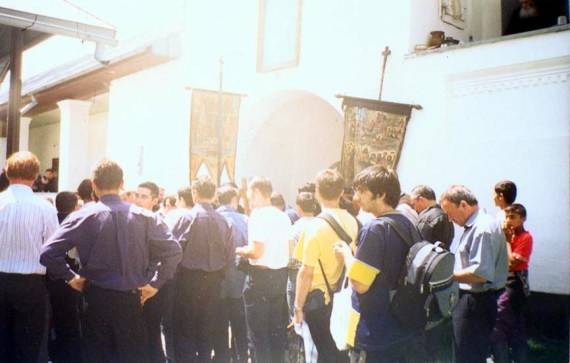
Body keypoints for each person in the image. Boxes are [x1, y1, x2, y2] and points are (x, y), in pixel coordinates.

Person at [40, 159, 182, 363]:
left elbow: (48, 252)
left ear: (94, 185)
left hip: (96, 299)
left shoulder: (83, 216)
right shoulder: (146, 217)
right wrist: (155, 284)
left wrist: (72, 278)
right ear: (122, 183)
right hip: (131, 299)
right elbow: (174, 251)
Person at [334, 166, 420, 363]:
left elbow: (360, 284)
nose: (356, 197)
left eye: (361, 191)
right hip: (401, 324)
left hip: (374, 331)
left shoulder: (375, 228)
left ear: (380, 194)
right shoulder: (407, 223)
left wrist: (347, 255)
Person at [293, 169, 358, 363]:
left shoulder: (313, 226)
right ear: (340, 193)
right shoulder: (353, 222)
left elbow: (305, 272)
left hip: (318, 301)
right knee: (338, 352)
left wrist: (297, 306)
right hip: (343, 298)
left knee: (322, 352)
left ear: (317, 193)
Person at [0, 151, 59, 362]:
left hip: (1, 280)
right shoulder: (44, 208)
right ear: (35, 176)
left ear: (7, 173)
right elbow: (53, 248)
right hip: (32, 285)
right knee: (31, 346)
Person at [440, 185, 508, 363]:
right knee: (472, 353)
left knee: (467, 355)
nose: (449, 218)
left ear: (463, 205)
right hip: (477, 300)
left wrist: (448, 275)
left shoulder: (482, 228)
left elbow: (480, 274)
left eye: (449, 212)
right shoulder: (478, 225)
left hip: (476, 301)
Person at [172, 175, 234, 362]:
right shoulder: (224, 221)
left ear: (194, 193)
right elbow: (230, 257)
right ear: (215, 194)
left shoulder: (187, 218)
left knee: (185, 327)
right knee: (207, 327)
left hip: (188, 280)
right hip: (214, 280)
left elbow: (173, 250)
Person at [236, 177, 291, 363]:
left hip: (260, 279)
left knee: (258, 336)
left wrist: (239, 250)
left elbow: (256, 251)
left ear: (258, 193)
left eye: (251, 196)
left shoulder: (258, 215)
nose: (250, 201)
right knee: (276, 333)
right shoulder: (283, 216)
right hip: (279, 278)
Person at [491, 204, 533, 363]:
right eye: (507, 217)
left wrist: (507, 242)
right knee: (514, 325)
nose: (509, 221)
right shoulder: (509, 234)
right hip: (504, 281)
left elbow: (510, 264)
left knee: (499, 323)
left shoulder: (525, 237)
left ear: (523, 219)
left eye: (513, 217)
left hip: (515, 283)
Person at [135, 180, 172, 363]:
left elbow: (168, 255)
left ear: (154, 200)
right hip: (136, 286)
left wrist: (152, 284)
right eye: (137, 195)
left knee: (151, 335)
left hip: (150, 288)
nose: (139, 200)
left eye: (144, 197)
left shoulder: (157, 222)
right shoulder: (133, 220)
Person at [214, 185, 249, 363]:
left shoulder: (214, 219)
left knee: (219, 323)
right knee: (240, 323)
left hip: (217, 279)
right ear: (234, 200)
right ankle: (241, 357)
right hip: (239, 279)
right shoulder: (244, 219)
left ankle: (222, 358)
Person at [48, 191, 82, 363]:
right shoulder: (75, 222)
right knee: (69, 318)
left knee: (52, 317)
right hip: (71, 277)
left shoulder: (52, 219)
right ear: (75, 205)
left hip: (50, 277)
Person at [288, 191, 319, 363]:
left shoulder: (295, 229)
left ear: (298, 208)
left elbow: (291, 259)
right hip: (318, 281)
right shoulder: (321, 225)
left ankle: (296, 359)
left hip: (297, 278)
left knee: (296, 323)